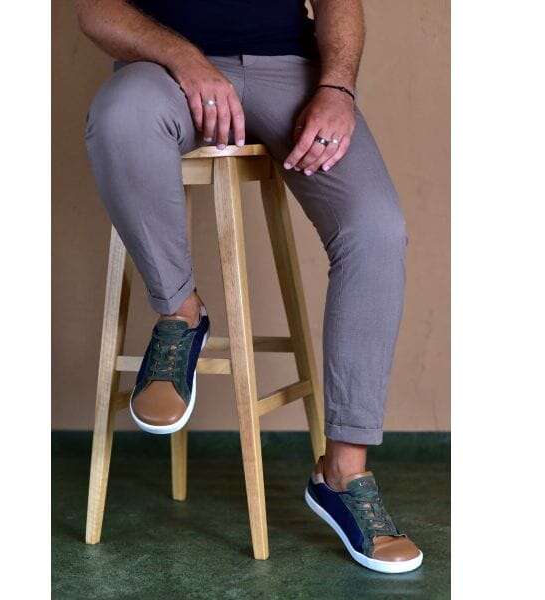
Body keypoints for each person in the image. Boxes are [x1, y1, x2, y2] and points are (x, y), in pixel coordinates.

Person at [76, 0, 422, 573]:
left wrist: (337, 88)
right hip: (164, 73)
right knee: (121, 117)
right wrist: (186, 58)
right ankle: (181, 313)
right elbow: (96, 10)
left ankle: (343, 473)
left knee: (375, 230)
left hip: (292, 73)